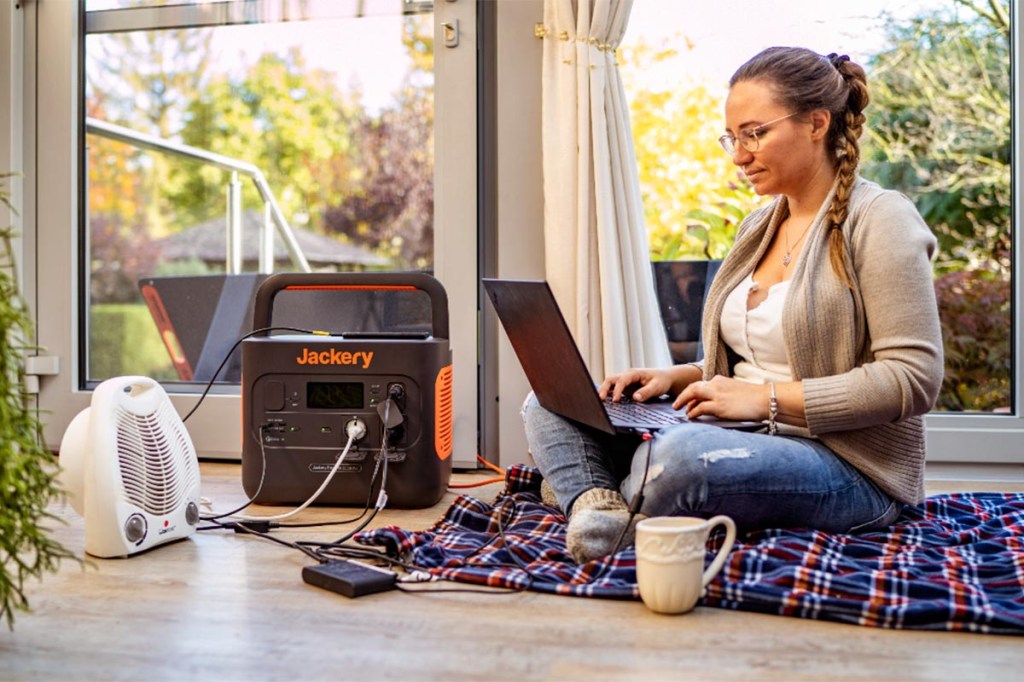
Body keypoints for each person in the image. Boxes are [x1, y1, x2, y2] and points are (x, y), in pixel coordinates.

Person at [522, 46, 945, 564]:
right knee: (550, 400)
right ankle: (602, 506)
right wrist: (675, 377)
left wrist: (764, 399)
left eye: (755, 133)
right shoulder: (758, 227)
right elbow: (758, 354)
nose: (739, 155)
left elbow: (912, 378)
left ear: (816, 123)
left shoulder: (881, 220)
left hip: (845, 466)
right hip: (737, 434)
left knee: (679, 457)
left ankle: (592, 489)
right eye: (733, 138)